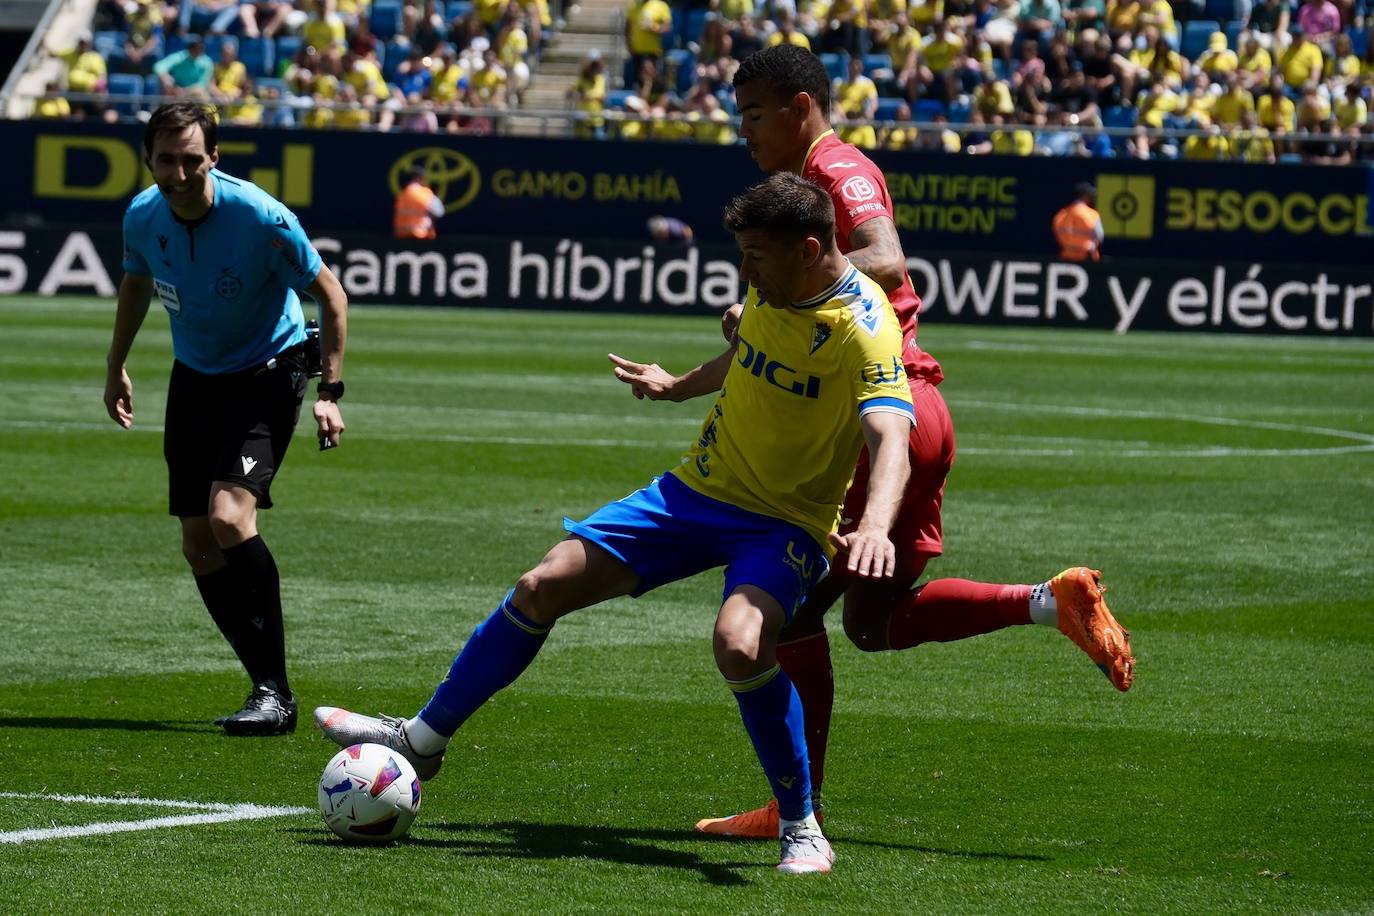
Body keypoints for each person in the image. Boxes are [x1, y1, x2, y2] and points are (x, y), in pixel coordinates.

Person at [316, 171, 919, 875]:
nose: (743, 269)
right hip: (695, 492)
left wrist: (875, 523)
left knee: (739, 641)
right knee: (542, 583)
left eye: (756, 254)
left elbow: (891, 435)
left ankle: (801, 824)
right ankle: (423, 737)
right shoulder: (774, 284)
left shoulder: (864, 328)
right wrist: (678, 384)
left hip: (784, 523)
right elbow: (750, 354)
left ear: (811, 248)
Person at [626, 44, 1133, 839]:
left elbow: (887, 256)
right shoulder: (803, 201)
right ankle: (1048, 601)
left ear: (799, 106)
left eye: (755, 113)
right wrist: (681, 382)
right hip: (914, 413)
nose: (744, 130)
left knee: (783, 621)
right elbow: (774, 344)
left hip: (878, 420)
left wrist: (786, 284)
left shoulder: (839, 168)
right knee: (871, 620)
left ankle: (798, 812)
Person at [103, 102, 348, 736]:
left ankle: (276, 691)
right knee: (196, 543)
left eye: (191, 159)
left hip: (268, 371)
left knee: (228, 517)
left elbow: (331, 295)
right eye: (166, 160)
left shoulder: (261, 216)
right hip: (195, 380)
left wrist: (331, 390)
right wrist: (116, 365)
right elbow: (135, 282)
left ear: (214, 157)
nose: (179, 173)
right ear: (149, 159)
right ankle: (266, 687)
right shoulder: (142, 215)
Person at [1052, 181, 1104, 261]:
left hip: (1066, 257)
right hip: (1087, 258)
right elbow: (1100, 236)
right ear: (1085, 196)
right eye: (1090, 195)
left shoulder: (1061, 214)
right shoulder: (1092, 215)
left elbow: (1057, 233)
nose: (1091, 198)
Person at [393, 166, 445, 239]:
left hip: (401, 237)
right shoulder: (425, 194)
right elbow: (439, 212)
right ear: (419, 178)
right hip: (421, 236)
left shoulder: (402, 195)